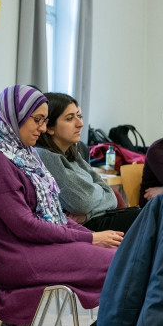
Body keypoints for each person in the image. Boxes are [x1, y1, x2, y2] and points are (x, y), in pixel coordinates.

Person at [0, 86, 121, 326]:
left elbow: (54, 215)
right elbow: (24, 225)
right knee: (128, 264)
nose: (42, 127)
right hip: (18, 256)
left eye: (43, 120)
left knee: (129, 257)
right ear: (14, 117)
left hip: (39, 248)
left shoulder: (22, 155)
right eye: (36, 120)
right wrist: (88, 236)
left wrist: (87, 235)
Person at [35, 92, 141, 233]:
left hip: (96, 219)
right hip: (87, 229)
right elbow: (83, 202)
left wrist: (89, 208)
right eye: (70, 118)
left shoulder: (73, 153)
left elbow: (109, 194)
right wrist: (96, 193)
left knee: (156, 213)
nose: (80, 124)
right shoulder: (45, 156)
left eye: (79, 116)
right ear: (50, 127)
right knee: (154, 216)